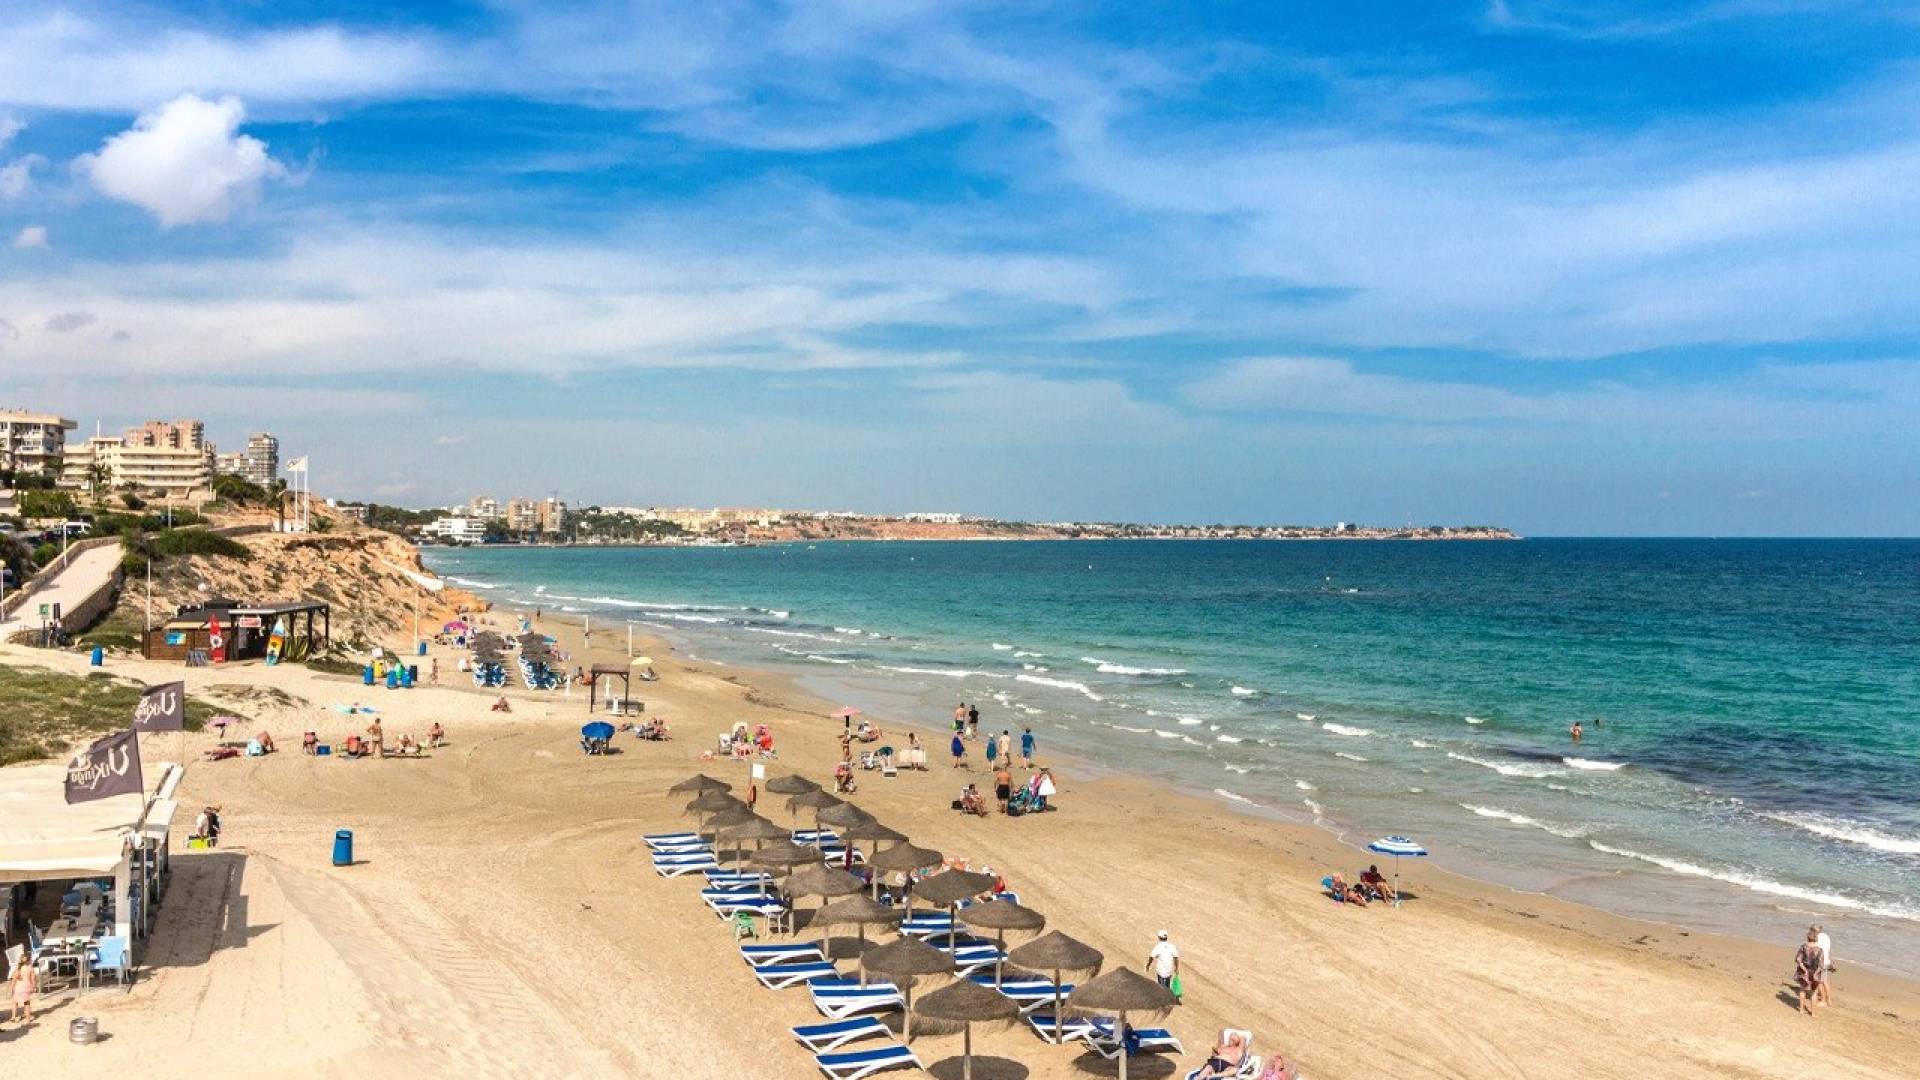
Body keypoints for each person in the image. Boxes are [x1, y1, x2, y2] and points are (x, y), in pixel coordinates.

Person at [1795, 929, 1825, 1016]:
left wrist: (1804, 970)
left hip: (1803, 971)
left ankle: (1801, 1010)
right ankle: (1813, 1013)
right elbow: (1821, 965)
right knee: (1814, 992)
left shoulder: (1803, 947)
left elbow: (1798, 960)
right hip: (1814, 972)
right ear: (1816, 938)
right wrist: (1816, 973)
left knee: (1802, 990)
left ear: (1807, 938)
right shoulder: (1820, 950)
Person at [9, 947, 37, 1023]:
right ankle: (28, 1019)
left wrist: (12, 988)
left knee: (15, 1002)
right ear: (29, 960)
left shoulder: (18, 968)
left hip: (18, 988)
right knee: (26, 1003)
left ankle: (13, 1017)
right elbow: (33, 979)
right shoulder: (30, 968)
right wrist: (34, 987)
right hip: (27, 988)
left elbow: (14, 979)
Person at [1814, 925, 1833, 1005]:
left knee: (1818, 982)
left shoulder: (1816, 938)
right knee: (1825, 981)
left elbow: (1816, 951)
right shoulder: (1826, 936)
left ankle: (1823, 1000)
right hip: (1826, 960)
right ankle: (1829, 999)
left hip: (1820, 962)